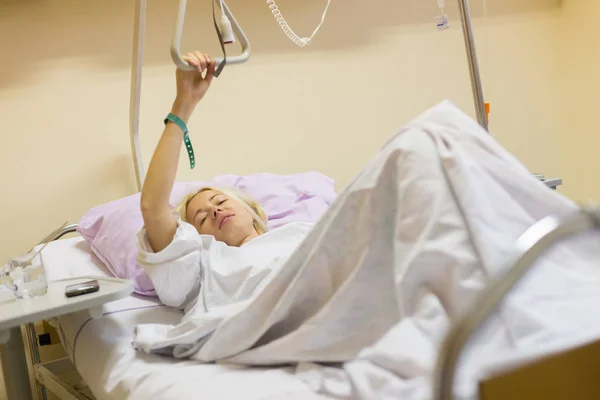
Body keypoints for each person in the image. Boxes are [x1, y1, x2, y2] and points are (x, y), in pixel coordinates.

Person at [137, 51, 314, 312]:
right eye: (202, 218)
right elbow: (153, 207)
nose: (215, 210)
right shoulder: (202, 269)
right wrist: (184, 104)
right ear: (194, 238)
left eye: (219, 201)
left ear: (253, 210)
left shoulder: (301, 234)